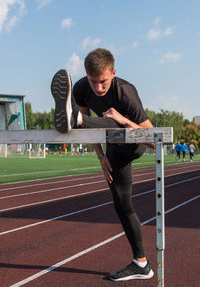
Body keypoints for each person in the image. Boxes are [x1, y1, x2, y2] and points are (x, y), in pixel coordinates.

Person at [51, 48, 155, 281]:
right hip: (112, 147)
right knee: (122, 204)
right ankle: (141, 264)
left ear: (114, 72)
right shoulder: (80, 88)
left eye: (103, 82)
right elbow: (91, 130)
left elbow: (153, 140)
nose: (98, 88)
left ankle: (74, 118)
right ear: (86, 76)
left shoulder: (125, 92)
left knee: (111, 121)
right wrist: (100, 156)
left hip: (133, 141)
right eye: (93, 81)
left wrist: (123, 119)